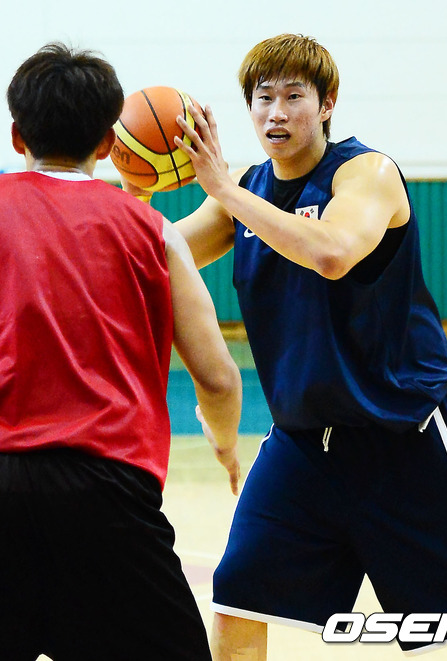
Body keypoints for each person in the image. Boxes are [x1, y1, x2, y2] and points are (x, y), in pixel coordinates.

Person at [127, 33, 447, 659]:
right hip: (303, 444)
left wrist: (225, 192)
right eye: (263, 98)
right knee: (237, 599)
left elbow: (331, 252)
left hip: (404, 434)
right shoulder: (247, 190)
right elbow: (153, 259)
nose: (276, 113)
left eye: (293, 97)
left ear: (326, 104)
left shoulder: (366, 173)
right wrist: (128, 195)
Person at [0, 43, 242, 661]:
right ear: (109, 143)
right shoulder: (151, 231)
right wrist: (224, 445)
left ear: (16, 134)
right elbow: (218, 377)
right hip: (106, 493)